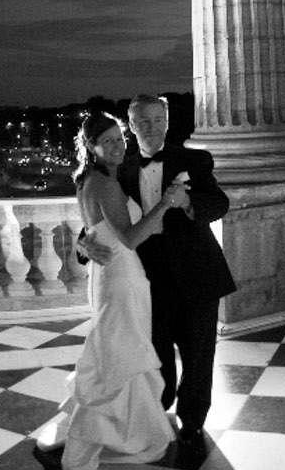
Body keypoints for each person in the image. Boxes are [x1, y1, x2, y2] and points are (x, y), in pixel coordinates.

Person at [35, 111, 188, 470]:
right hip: (120, 276)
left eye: (120, 139)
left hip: (109, 276)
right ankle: (111, 436)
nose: (118, 146)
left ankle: (124, 427)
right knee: (123, 353)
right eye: (108, 142)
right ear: (91, 146)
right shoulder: (104, 183)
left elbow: (95, 230)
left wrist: (86, 243)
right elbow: (130, 237)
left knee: (116, 352)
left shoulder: (92, 178)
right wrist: (166, 203)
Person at [85, 92, 234, 451]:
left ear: (167, 122)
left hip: (198, 274)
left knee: (200, 354)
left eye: (158, 120)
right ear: (132, 126)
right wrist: (82, 244)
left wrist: (188, 203)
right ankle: (157, 412)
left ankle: (193, 422)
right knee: (157, 353)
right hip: (148, 278)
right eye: (143, 122)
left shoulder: (195, 160)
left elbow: (220, 204)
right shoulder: (120, 170)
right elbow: (103, 219)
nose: (152, 128)